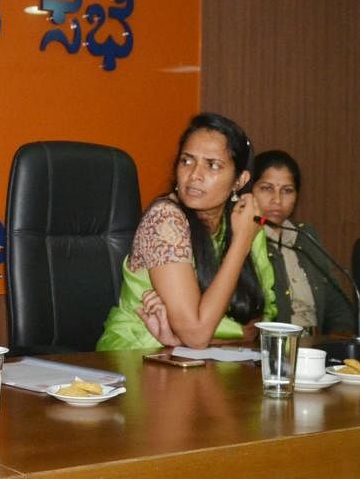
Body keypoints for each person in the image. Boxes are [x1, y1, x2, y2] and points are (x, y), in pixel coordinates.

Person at [96, 113, 277, 350]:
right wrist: (241, 244)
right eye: (187, 161)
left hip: (206, 355)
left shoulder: (246, 221)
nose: (194, 175)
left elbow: (265, 317)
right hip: (137, 354)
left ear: (239, 180)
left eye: (212, 165)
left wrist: (187, 339)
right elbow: (197, 334)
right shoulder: (165, 220)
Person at [248, 150, 353, 335]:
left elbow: (338, 305)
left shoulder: (305, 236)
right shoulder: (243, 239)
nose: (277, 200)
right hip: (270, 349)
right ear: (249, 191)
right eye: (266, 188)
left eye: (287, 191)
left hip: (316, 347)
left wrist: (338, 343)